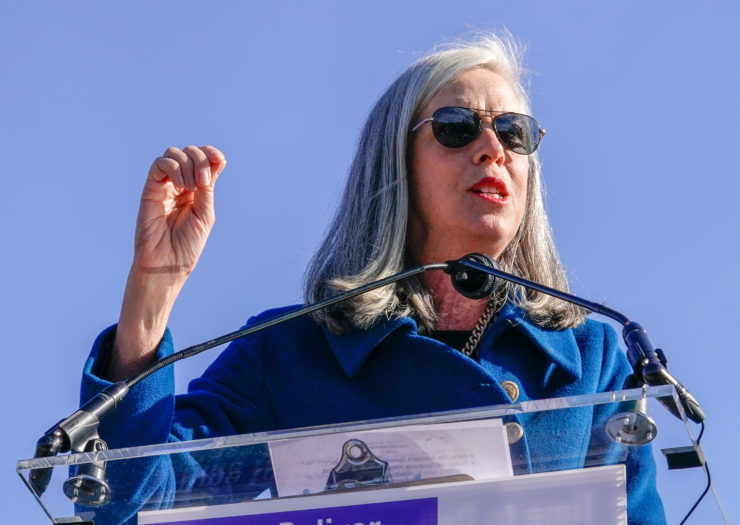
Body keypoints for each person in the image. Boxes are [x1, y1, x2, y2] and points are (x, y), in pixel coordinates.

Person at [80, 32, 666, 524]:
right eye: (458, 126)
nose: (492, 149)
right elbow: (136, 504)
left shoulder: (591, 359)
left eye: (514, 132)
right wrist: (153, 289)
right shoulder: (290, 352)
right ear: (395, 162)